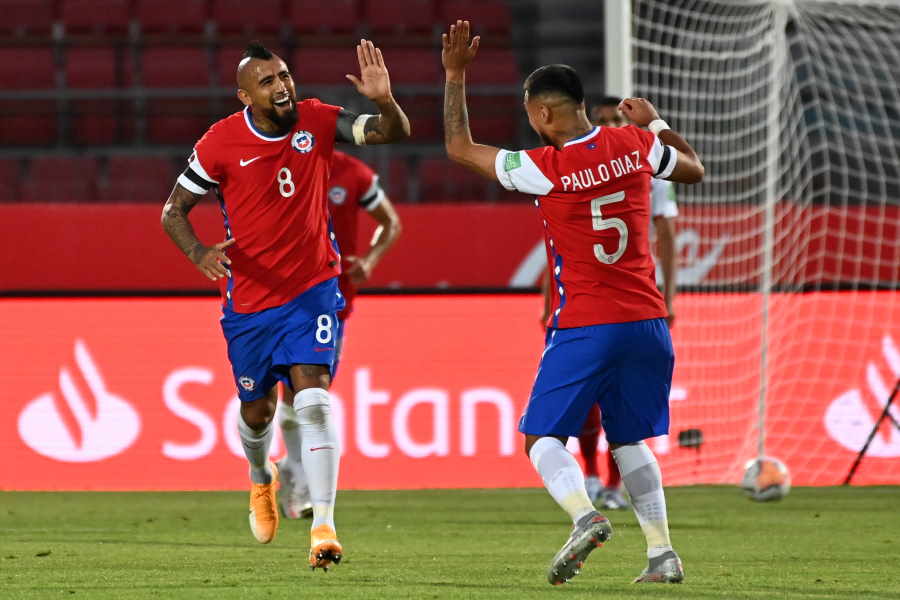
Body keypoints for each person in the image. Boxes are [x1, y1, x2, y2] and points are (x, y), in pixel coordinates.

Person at [440, 21, 703, 585]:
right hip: (649, 321)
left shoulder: (544, 168)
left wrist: (455, 74)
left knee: (540, 438)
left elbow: (459, 148)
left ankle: (585, 517)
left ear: (543, 115)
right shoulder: (635, 145)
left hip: (587, 321)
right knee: (629, 437)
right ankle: (662, 554)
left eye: (532, 115)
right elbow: (694, 169)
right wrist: (653, 120)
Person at [161, 40, 409, 571]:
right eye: (268, 81)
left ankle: (324, 527)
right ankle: (259, 477)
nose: (282, 87)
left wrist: (385, 101)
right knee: (259, 412)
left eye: (285, 76)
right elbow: (173, 210)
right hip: (250, 301)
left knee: (314, 400)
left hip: (313, 287)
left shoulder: (317, 119)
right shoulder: (220, 143)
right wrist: (198, 252)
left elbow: (392, 132)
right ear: (244, 95)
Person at [562, 97, 680, 511]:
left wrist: (671, 293)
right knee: (589, 402)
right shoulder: (572, 163)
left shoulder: (646, 164)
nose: (610, 124)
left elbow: (666, 234)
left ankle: (611, 487)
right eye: (603, 119)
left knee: (619, 404)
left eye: (617, 119)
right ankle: (595, 479)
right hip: (592, 298)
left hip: (634, 296)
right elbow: (558, 246)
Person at [276, 150, 403, 520]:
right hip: (285, 294)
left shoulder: (354, 174)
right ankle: (297, 476)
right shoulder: (282, 167)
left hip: (333, 298)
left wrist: (371, 259)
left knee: (312, 391)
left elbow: (391, 222)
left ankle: (295, 471)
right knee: (293, 394)